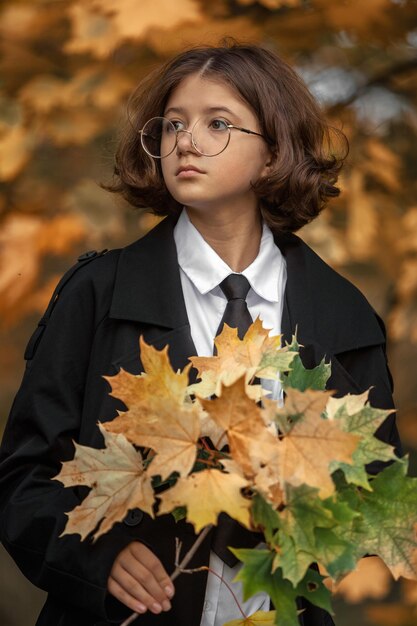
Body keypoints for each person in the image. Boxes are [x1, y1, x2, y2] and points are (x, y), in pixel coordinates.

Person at [0, 42, 401, 626]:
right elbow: (22, 475)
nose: (185, 141)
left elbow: (377, 493)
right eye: (173, 124)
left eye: (217, 124)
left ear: (273, 154)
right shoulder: (97, 293)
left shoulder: (343, 313)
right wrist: (93, 555)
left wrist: (308, 515)